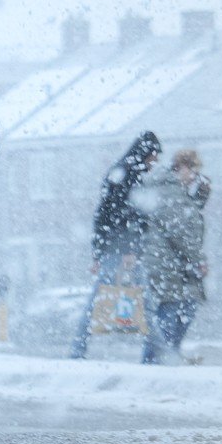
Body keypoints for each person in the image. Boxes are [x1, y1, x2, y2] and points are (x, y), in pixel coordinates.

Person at [69, 132, 162, 359]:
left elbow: (103, 216)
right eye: (154, 156)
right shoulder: (129, 176)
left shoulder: (122, 173)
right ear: (145, 153)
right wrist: (130, 249)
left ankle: (78, 349)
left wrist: (98, 252)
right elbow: (125, 216)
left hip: (114, 249)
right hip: (121, 251)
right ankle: (162, 353)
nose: (155, 161)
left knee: (100, 300)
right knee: (143, 302)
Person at [138, 149, 210, 365]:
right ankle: (157, 361)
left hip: (170, 261)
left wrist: (200, 196)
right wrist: (198, 260)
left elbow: (186, 216)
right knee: (172, 311)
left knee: (180, 308)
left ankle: (164, 358)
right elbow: (180, 229)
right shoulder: (171, 189)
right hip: (165, 261)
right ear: (183, 167)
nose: (195, 177)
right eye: (193, 171)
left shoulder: (175, 190)